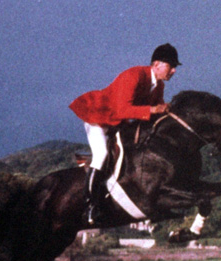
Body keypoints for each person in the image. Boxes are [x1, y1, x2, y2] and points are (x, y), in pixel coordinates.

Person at [69, 43, 181, 223]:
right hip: (99, 117)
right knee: (102, 155)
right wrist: (153, 109)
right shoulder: (133, 76)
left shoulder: (158, 86)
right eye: (171, 66)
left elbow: (153, 112)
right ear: (156, 64)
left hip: (119, 123)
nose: (174, 70)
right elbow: (122, 110)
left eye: (175, 67)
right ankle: (90, 206)